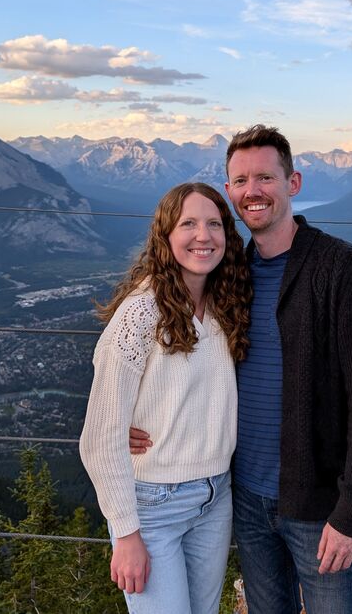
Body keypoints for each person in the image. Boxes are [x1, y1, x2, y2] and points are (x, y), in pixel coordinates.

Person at [132, 125, 352, 614]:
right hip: (243, 502)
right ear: (229, 191)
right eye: (239, 181)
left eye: (264, 178)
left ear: (293, 183)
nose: (251, 191)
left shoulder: (341, 270)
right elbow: (185, 363)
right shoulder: (227, 275)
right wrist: (130, 421)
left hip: (321, 513)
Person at [80, 182, 251, 614]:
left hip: (216, 496)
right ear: (166, 235)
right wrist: (126, 534)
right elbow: (99, 438)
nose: (203, 235)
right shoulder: (141, 312)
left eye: (214, 224)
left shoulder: (222, 302)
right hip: (153, 506)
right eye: (188, 223)